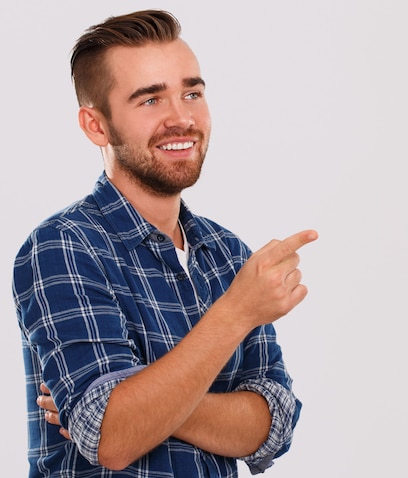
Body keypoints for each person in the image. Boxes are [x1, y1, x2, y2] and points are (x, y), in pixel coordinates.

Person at [12, 9, 317, 478]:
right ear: (97, 126)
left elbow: (274, 427)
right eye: (150, 100)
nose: (182, 117)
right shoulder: (63, 248)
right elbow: (113, 440)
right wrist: (236, 313)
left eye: (191, 93)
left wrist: (147, 405)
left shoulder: (227, 254)